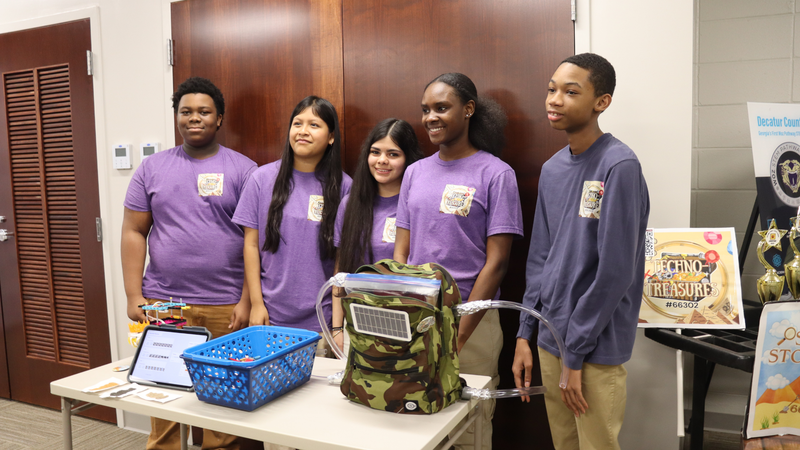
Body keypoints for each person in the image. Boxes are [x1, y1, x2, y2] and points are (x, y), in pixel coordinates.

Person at [512, 53, 650, 450]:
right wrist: (526, 331)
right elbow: (540, 257)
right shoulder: (553, 168)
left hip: (594, 346)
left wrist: (575, 354)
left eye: (571, 92)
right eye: (552, 89)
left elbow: (616, 271)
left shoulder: (619, 165)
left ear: (601, 102)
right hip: (550, 336)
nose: (555, 99)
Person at [121, 77, 258, 450]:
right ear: (177, 117)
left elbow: (254, 242)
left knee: (224, 410)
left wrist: (247, 301)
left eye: (203, 112)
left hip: (226, 306)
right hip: (165, 305)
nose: (193, 119)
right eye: (186, 112)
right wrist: (134, 295)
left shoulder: (245, 170)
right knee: (163, 403)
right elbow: (134, 231)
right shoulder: (151, 168)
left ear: (219, 118)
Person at [394, 73, 524, 450]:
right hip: (417, 318)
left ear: (468, 110)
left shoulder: (496, 173)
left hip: (473, 320)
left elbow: (497, 263)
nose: (430, 117)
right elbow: (401, 252)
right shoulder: (415, 172)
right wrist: (406, 305)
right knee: (418, 422)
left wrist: (461, 331)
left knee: (470, 428)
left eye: (441, 108)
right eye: (425, 110)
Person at [233, 96, 351, 356]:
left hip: (322, 322)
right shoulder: (261, 179)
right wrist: (255, 304)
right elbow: (251, 245)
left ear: (331, 137)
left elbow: (342, 263)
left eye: (314, 125)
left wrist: (337, 326)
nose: (303, 131)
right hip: (271, 319)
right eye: (297, 123)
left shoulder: (345, 187)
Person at [333, 118, 423, 351]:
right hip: (358, 321)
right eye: (375, 152)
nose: (382, 160)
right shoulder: (350, 204)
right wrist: (337, 328)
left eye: (393, 154)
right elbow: (341, 271)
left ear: (408, 159)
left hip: (406, 323)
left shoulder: (417, 204)